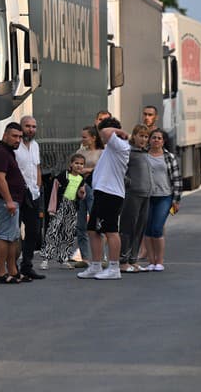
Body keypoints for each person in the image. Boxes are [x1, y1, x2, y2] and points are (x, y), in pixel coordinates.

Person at [77, 117, 130, 280]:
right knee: (92, 229)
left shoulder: (119, 145)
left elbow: (107, 132)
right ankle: (96, 265)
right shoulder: (110, 148)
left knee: (111, 231)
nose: (101, 136)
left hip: (111, 194)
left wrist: (120, 132)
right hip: (101, 192)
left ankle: (114, 267)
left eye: (101, 133)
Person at [0, 122, 28, 284]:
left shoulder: (8, 152)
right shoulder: (0, 152)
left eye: (20, 137)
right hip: (5, 201)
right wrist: (9, 201)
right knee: (5, 236)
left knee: (12, 237)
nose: (18, 140)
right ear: (5, 135)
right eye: (14, 136)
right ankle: (0, 273)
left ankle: (13, 271)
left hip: (12, 201)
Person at [143, 129, 182, 272]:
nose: (156, 140)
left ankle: (159, 261)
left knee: (157, 228)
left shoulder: (169, 157)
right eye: (153, 138)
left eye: (159, 138)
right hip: (147, 197)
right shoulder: (143, 156)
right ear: (149, 140)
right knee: (147, 229)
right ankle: (151, 261)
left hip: (164, 197)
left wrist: (176, 200)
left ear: (163, 141)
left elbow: (177, 179)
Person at [42, 153, 87, 268]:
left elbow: (81, 194)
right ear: (71, 164)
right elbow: (54, 191)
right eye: (76, 163)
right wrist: (52, 208)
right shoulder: (63, 175)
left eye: (81, 164)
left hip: (72, 206)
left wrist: (81, 194)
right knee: (53, 231)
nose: (79, 166)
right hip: (60, 205)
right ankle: (46, 258)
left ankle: (63, 258)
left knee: (68, 233)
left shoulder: (81, 179)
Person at [119, 125, 152, 272]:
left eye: (146, 137)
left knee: (140, 228)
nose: (143, 139)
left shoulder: (146, 152)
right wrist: (129, 183)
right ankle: (123, 259)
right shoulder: (129, 152)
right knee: (128, 227)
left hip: (146, 194)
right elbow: (120, 170)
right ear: (134, 136)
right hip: (133, 194)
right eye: (141, 136)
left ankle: (133, 259)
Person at [16, 116, 45, 280]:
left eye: (34, 126)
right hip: (18, 193)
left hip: (33, 194)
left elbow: (37, 167)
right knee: (15, 232)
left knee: (33, 231)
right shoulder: (15, 146)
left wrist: (38, 187)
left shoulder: (35, 146)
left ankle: (27, 266)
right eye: (27, 126)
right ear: (21, 127)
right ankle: (12, 266)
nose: (31, 129)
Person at [74, 125, 103, 266]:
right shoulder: (80, 151)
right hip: (80, 188)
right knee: (80, 225)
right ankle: (85, 257)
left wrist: (86, 169)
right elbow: (73, 167)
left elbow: (102, 168)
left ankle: (100, 257)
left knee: (96, 223)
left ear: (93, 138)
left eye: (85, 137)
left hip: (94, 188)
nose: (82, 139)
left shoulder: (101, 152)